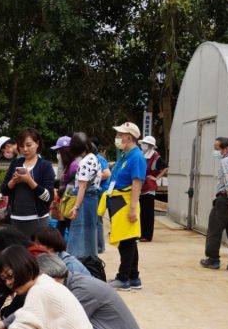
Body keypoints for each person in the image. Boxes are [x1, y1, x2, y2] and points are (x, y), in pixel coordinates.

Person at [105, 122, 146, 291]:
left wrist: (133, 208)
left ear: (129, 137)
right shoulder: (125, 154)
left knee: (126, 241)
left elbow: (137, 182)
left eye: (120, 135)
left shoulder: (136, 157)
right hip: (117, 200)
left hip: (126, 202)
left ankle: (123, 278)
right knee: (128, 240)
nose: (118, 138)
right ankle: (134, 277)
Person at [0, 128, 57, 240]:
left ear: (37, 143)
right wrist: (13, 181)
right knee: (20, 254)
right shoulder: (15, 163)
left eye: (29, 145)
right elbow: (4, 190)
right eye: (21, 146)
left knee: (37, 253)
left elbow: (48, 197)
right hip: (16, 218)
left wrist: (29, 181)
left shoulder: (45, 166)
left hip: (38, 219)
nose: (25, 149)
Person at [200, 136, 228, 272]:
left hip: (226, 200)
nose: (215, 152)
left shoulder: (226, 162)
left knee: (214, 230)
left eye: (217, 149)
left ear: (225, 149)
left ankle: (213, 260)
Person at [63, 132, 102, 262]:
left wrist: (76, 206)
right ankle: (91, 261)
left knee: (78, 234)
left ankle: (77, 264)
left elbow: (83, 187)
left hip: (85, 200)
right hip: (92, 199)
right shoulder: (94, 158)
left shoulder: (85, 162)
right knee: (89, 234)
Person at [138, 135, 168, 242]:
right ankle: (140, 233)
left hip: (149, 187)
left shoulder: (156, 156)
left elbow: (165, 167)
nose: (143, 145)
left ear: (150, 145)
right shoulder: (141, 154)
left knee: (148, 212)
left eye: (145, 144)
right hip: (140, 186)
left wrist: (156, 178)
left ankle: (147, 235)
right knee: (140, 212)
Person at [50, 135, 74, 236]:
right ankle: (59, 248)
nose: (58, 154)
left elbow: (72, 185)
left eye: (59, 151)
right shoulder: (67, 164)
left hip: (69, 202)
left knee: (67, 226)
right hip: (64, 201)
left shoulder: (74, 165)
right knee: (60, 226)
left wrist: (60, 193)